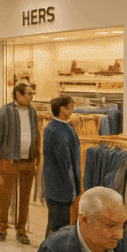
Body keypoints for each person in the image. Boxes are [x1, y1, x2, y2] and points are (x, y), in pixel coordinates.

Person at [0, 82, 40, 245]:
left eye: (32, 93)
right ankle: (2, 227)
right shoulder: (4, 112)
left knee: (25, 198)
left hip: (28, 161)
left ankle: (21, 229)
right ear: (18, 94)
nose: (32, 97)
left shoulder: (32, 112)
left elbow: (36, 134)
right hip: (8, 160)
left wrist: (36, 155)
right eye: (29, 93)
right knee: (5, 195)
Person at [43, 94, 81, 238]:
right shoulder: (57, 129)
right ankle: (50, 249)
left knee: (56, 223)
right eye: (70, 107)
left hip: (59, 187)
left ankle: (50, 248)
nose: (72, 110)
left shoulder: (62, 127)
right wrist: (72, 188)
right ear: (62, 109)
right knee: (58, 225)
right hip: (59, 188)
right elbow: (65, 161)